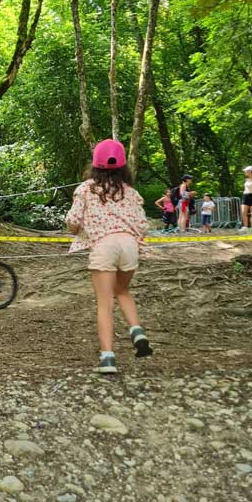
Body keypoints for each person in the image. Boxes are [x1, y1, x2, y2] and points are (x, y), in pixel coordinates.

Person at [66, 139, 152, 374]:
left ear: (95, 164)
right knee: (122, 291)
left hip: (104, 246)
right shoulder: (131, 192)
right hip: (129, 245)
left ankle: (107, 359)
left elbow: (73, 221)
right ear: (123, 166)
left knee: (105, 303)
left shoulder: (86, 189)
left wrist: (79, 230)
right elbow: (143, 224)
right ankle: (137, 331)